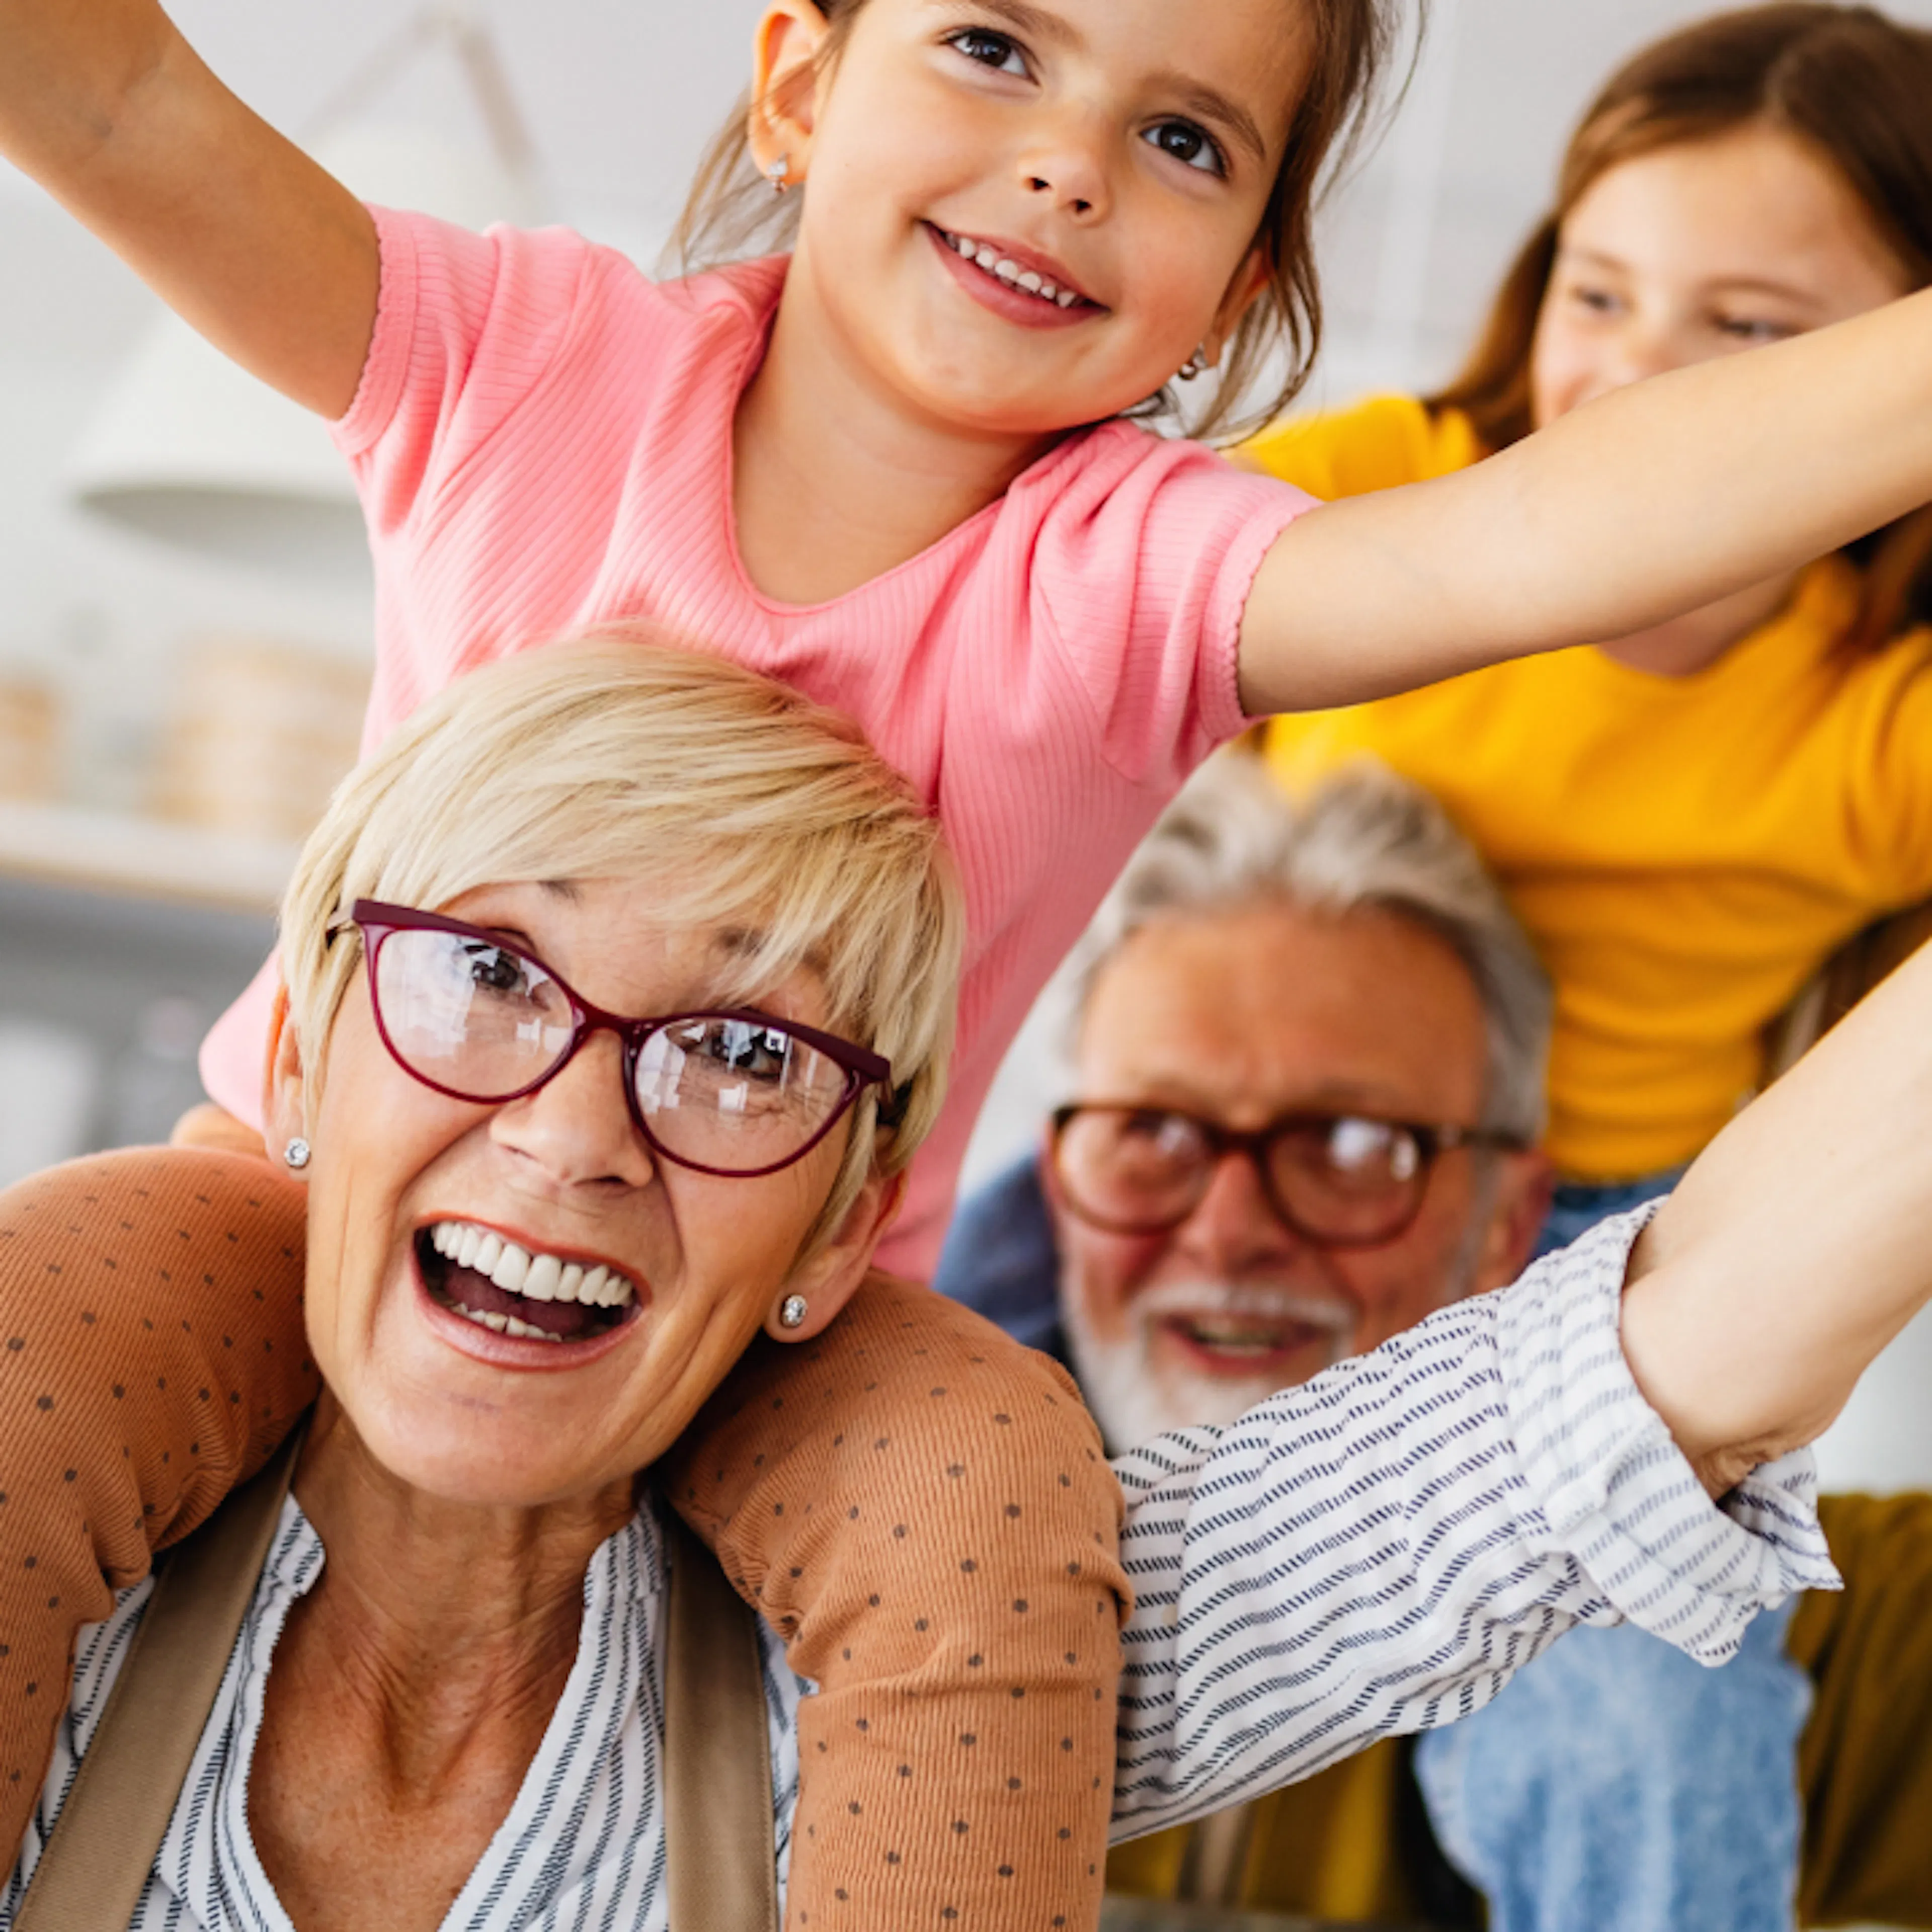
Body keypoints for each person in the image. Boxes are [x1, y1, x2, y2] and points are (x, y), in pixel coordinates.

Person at [8, 0, 1932, 1916]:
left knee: (997, 1469)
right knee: (46, 1325)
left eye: (1185, 142)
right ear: (796, 80)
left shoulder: (1125, 581)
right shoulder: (529, 368)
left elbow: (1535, 539)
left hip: (808, 1352)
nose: (1069, 163)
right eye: (995, 48)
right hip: (280, 1197)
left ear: (1241, 287)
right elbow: (114, 92)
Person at [0, 640, 1862, 1932]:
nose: (575, 1138)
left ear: (842, 1217)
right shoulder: (54, 1539)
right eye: (489, 972)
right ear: (308, 1055)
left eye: (739, 1053)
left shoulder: (931, 1670)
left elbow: (1663, 1362)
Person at [943, 755, 1932, 1931]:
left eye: (1355, 1145)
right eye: (1150, 1131)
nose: (1229, 1231)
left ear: (1512, 1219)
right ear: (1055, 1181)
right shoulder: (811, 1598)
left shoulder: (1777, 1637)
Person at [1251, 2, 1932, 1257]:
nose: (1637, 380)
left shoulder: (1884, 712)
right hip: (1243, 1143)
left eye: (1750, 328)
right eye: (1601, 293)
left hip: (1594, 1237)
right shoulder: (1370, 483)